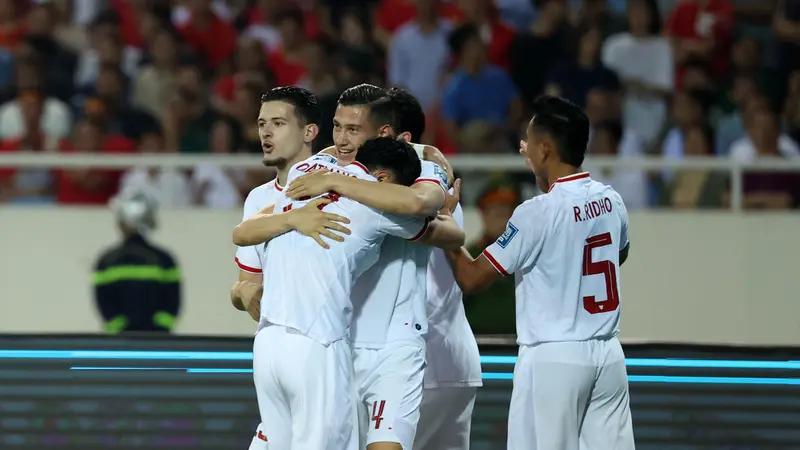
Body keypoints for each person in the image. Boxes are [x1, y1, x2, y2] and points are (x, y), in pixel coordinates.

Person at [233, 138, 464, 450]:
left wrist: (290, 217)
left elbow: (241, 232)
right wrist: (445, 209)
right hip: (315, 343)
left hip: (267, 345)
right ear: (384, 180)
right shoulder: (376, 204)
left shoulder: (305, 179)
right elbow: (434, 221)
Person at [286, 86, 482, 450]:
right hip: (337, 344)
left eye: (353, 130)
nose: (342, 140)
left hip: (400, 345)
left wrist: (334, 181)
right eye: (337, 127)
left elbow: (427, 207)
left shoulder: (422, 167)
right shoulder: (323, 166)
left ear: (385, 134)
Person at [445, 95, 635, 449]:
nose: (524, 150)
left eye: (528, 143)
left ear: (545, 149)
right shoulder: (612, 200)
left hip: (553, 357)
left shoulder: (536, 212)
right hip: (608, 355)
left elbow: (471, 278)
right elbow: (617, 255)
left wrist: (444, 226)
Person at [229, 86, 346, 449]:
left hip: (331, 348)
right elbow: (245, 284)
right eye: (262, 123)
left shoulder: (340, 187)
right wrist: (243, 293)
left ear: (310, 132)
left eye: (278, 123)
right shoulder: (257, 199)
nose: (265, 132)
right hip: (275, 350)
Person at [93, 188, 181, 334]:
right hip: (158, 341)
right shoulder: (165, 259)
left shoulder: (107, 260)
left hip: (120, 343)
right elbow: (172, 302)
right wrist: (160, 329)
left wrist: (119, 328)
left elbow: (104, 302)